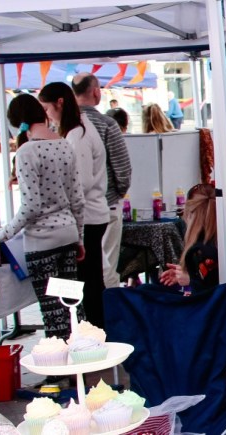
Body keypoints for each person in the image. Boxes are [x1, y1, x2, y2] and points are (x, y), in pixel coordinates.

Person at [0, 94, 85, 341]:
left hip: (42, 241)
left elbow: (30, 207)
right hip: (67, 235)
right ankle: (82, 353)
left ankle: (59, 364)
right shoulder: (64, 145)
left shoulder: (27, 152)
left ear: (19, 122)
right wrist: (79, 237)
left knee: (51, 309)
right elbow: (77, 199)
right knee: (70, 302)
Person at [39, 82, 109, 326]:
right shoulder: (77, 131)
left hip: (88, 216)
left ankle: (96, 330)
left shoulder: (78, 134)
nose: (46, 115)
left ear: (59, 103)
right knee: (89, 280)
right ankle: (95, 329)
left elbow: (82, 182)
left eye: (46, 108)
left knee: (88, 281)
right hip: (90, 214)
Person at [73, 73, 133, 291]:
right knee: (106, 267)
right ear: (96, 91)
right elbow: (123, 168)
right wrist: (118, 194)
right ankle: (109, 316)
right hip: (105, 206)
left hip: (72, 214)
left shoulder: (62, 127)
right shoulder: (107, 124)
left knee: (81, 271)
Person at [158, 183, 218, 292]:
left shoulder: (199, 250)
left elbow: (211, 289)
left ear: (189, 213)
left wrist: (189, 279)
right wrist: (186, 274)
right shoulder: (217, 241)